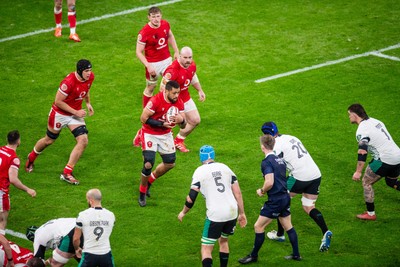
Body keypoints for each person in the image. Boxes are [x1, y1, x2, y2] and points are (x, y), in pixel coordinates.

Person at [261, 122, 332, 252]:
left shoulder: (275, 146)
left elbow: (277, 167)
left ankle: (280, 234)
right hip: (315, 174)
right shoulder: (290, 137)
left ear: (266, 135)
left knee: (279, 198)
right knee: (309, 206)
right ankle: (325, 231)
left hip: (300, 176)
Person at [25, 59, 95, 185]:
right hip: (59, 114)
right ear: (80, 71)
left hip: (74, 113)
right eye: (86, 71)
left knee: (83, 140)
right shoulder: (68, 82)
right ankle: (31, 158)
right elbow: (58, 101)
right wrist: (75, 112)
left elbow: (87, 89)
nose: (89, 73)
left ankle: (67, 172)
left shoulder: (89, 78)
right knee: (49, 140)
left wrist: (88, 103)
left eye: (90, 70)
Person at [178, 145, 247, 267]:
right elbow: (238, 193)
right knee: (223, 241)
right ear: (213, 156)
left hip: (216, 215)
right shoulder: (225, 168)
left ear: (201, 157)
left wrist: (183, 212)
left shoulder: (199, 171)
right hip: (232, 211)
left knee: (206, 248)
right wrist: (242, 214)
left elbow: (191, 197)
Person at [238, 135, 301, 264]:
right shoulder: (280, 159)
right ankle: (296, 255)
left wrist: (261, 190)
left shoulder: (266, 162)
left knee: (258, 226)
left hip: (276, 200)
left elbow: (270, 182)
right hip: (285, 197)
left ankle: (253, 256)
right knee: (288, 225)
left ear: (262, 147)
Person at [133, 6, 179, 147]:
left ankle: (166, 118)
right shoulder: (144, 32)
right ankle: (146, 116)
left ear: (161, 16)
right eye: (153, 16)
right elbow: (139, 52)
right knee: (150, 88)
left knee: (168, 88)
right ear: (149, 17)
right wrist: (148, 65)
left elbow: (170, 35)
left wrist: (176, 51)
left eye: (158, 16)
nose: (156, 19)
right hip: (152, 63)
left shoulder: (165, 24)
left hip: (166, 61)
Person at [348, 103, 400, 220]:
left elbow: (362, 151)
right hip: (397, 156)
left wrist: (358, 171)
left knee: (366, 183)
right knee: (391, 182)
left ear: (354, 114)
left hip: (384, 160)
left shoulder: (362, 130)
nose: (349, 117)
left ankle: (370, 214)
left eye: (349, 114)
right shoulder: (376, 121)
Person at [137, 80, 185, 207]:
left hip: (165, 135)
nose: (176, 96)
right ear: (166, 91)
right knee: (148, 163)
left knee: (170, 163)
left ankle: (150, 181)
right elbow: (143, 118)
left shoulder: (178, 102)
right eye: (174, 93)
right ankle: (142, 192)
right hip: (150, 133)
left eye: (178, 93)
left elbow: (184, 124)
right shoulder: (155, 101)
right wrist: (161, 124)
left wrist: (182, 120)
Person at [160, 46, 206, 153]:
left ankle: (178, 140)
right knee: (171, 123)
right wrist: (169, 104)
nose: (188, 60)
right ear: (179, 56)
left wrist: (200, 90)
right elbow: (162, 88)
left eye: (190, 57)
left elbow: (192, 76)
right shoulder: (172, 71)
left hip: (185, 97)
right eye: (185, 57)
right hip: (174, 99)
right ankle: (147, 136)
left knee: (195, 120)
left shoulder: (191, 65)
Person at [0, 130, 36, 232]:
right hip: (1, 192)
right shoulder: (14, 159)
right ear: (18, 141)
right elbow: (13, 179)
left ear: (7, 139)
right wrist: (28, 189)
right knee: (2, 222)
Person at [73, 189, 115, 267]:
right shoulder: (111, 215)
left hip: (89, 254)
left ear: (90, 200)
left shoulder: (82, 215)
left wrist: (77, 248)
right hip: (106, 253)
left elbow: (76, 238)